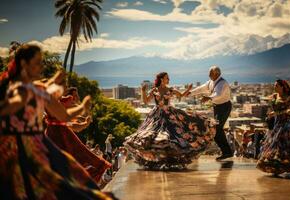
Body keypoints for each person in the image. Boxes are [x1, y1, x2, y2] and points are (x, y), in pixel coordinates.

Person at [0, 44, 115, 199]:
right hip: (14, 149)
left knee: (67, 183)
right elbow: (14, 104)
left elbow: (64, 116)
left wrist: (82, 108)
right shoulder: (12, 88)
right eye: (37, 63)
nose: (41, 67)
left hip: (38, 145)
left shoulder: (39, 89)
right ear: (23, 64)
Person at [124, 72, 216, 169]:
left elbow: (181, 95)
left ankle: (168, 160)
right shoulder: (154, 90)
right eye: (167, 78)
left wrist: (188, 89)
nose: (169, 80)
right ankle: (158, 160)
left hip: (169, 114)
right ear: (162, 79)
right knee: (154, 136)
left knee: (172, 136)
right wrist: (143, 91)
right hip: (157, 115)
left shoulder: (170, 90)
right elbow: (146, 101)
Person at [45, 86, 111, 183]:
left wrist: (83, 120)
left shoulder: (57, 103)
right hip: (58, 138)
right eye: (74, 96)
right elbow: (67, 120)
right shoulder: (55, 103)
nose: (76, 98)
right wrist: (83, 111)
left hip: (61, 137)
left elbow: (71, 122)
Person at [189, 66, 233, 160]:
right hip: (217, 107)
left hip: (224, 106)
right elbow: (201, 89)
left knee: (217, 128)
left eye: (211, 73)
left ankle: (227, 152)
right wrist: (190, 93)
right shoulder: (211, 82)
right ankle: (226, 152)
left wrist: (208, 97)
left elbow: (218, 94)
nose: (209, 75)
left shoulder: (222, 83)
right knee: (216, 129)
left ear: (217, 74)